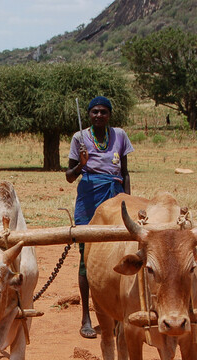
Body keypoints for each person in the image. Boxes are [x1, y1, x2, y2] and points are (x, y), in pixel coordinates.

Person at [66, 96, 134, 339]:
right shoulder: (79, 138)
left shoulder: (120, 136)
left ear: (109, 115)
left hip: (116, 196)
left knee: (118, 252)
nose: (98, 116)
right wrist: (81, 165)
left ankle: (117, 314)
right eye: (94, 112)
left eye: (103, 112)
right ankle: (86, 317)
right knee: (87, 256)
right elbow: (69, 176)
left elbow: (125, 172)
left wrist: (128, 201)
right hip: (89, 196)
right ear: (89, 114)